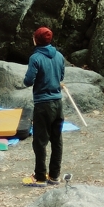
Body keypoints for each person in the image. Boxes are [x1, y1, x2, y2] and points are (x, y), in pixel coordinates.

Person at [23, 26, 66, 187]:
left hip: (42, 104)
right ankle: (54, 176)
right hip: (58, 103)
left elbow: (28, 80)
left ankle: (40, 176)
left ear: (36, 40)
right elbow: (61, 76)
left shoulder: (35, 58)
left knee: (40, 141)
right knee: (57, 140)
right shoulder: (60, 56)